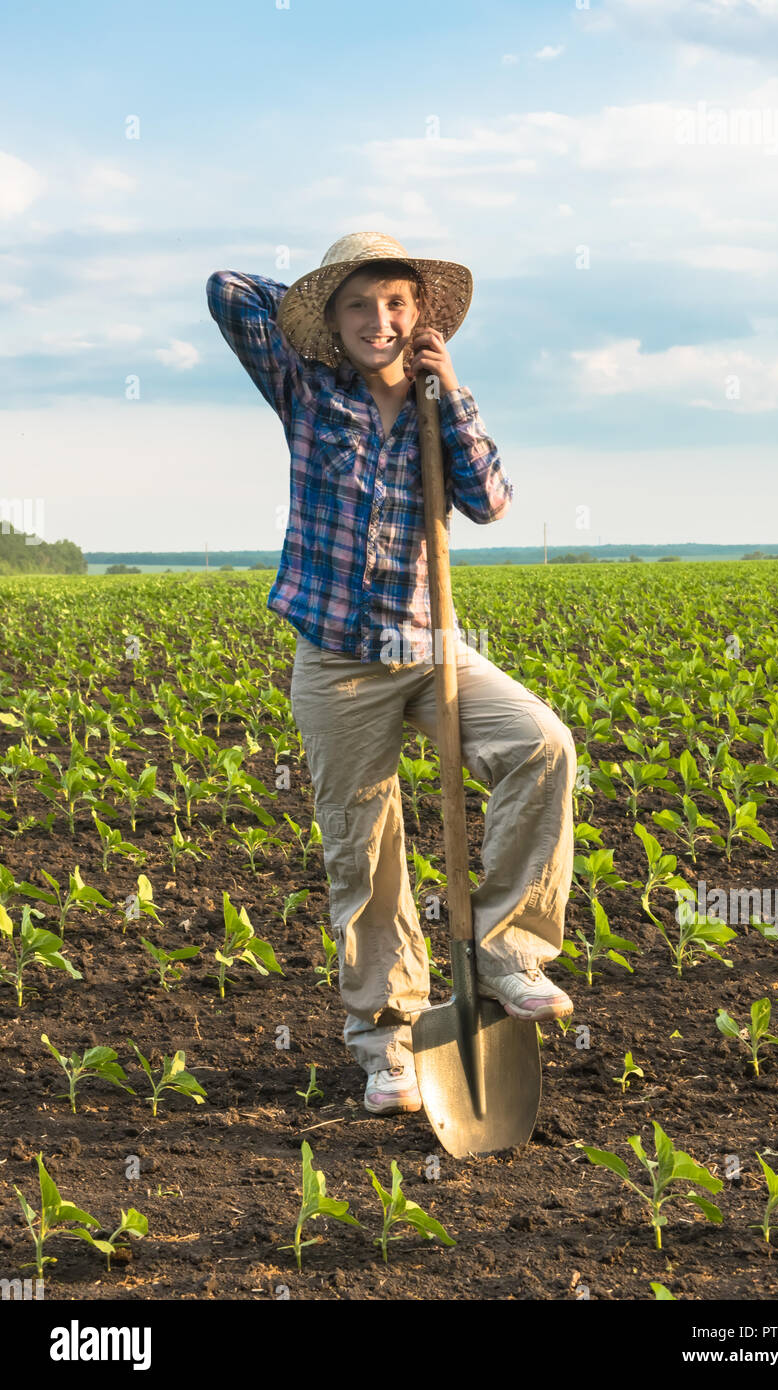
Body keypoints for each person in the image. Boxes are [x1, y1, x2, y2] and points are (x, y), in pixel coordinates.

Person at [206, 232, 577, 1117]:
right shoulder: (307, 390)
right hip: (337, 660)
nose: (383, 320)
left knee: (541, 743)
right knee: (366, 852)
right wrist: (313, 304)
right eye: (361, 306)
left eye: (400, 304)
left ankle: (504, 950)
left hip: (428, 644)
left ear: (425, 317)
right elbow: (226, 289)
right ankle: (388, 1043)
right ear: (332, 323)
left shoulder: (435, 403)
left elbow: (487, 503)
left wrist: (448, 392)